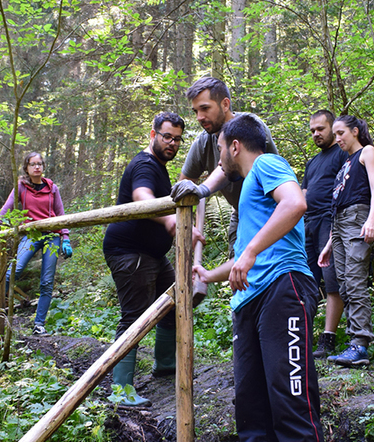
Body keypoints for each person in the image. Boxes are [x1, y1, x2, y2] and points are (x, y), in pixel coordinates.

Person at [187, 113, 327, 442]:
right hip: (248, 301)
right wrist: (208, 275)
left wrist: (248, 252)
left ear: (234, 146)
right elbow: (247, 255)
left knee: (290, 400)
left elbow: (296, 203)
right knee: (251, 411)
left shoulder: (267, 164)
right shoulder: (249, 193)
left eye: (220, 150)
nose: (218, 160)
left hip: (283, 287)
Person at [102, 112, 204, 407]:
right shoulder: (145, 164)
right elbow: (142, 196)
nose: (171, 143)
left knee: (175, 303)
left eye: (177, 139)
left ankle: (165, 367)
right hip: (130, 253)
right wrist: (170, 219)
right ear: (153, 135)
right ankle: (120, 389)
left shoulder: (159, 166)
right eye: (166, 136)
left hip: (153, 256)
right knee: (134, 316)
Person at [171, 75, 278, 253]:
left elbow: (229, 167)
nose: (199, 117)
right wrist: (185, 226)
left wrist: (202, 190)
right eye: (195, 111)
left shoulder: (249, 127)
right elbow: (184, 184)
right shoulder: (203, 142)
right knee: (236, 268)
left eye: (205, 108)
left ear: (225, 104)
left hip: (269, 211)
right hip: (241, 212)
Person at [317, 115, 374, 367]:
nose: (338, 138)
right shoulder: (345, 163)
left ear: (355, 131)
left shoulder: (367, 152)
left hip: (358, 218)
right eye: (336, 134)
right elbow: (337, 203)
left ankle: (360, 345)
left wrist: (372, 220)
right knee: (343, 284)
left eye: (342, 133)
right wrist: (329, 244)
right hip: (339, 224)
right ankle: (354, 343)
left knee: (355, 280)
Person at [0, 151, 71, 336]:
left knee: (47, 282)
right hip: (31, 234)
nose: (37, 167)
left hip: (51, 236)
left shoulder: (52, 188)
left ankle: (39, 325)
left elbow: (61, 213)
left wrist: (66, 238)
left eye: (40, 163)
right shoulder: (21, 187)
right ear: (26, 167)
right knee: (15, 270)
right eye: (33, 164)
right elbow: (6, 208)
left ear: (43, 166)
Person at [300, 110, 347, 359]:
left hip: (330, 221)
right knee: (306, 281)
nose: (316, 134)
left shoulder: (342, 153)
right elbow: (304, 193)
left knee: (331, 280)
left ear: (332, 128)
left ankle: (328, 339)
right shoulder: (312, 162)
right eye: (313, 131)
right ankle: (302, 337)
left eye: (321, 129)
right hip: (308, 223)